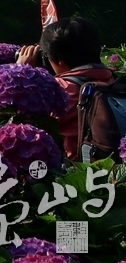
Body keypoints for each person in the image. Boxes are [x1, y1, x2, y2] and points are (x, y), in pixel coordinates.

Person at [19, 16, 116, 161]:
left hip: (76, 168)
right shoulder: (113, 80)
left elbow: (25, 121)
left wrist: (20, 71)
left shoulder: (60, 89)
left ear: (59, 60)